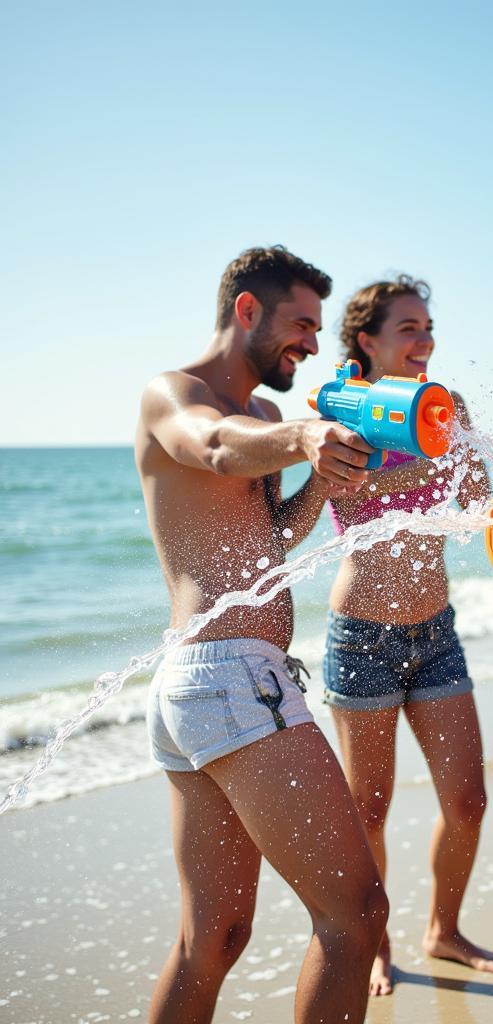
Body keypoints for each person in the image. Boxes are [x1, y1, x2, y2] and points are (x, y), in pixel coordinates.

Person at [136, 246, 387, 1024]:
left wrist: (324, 474)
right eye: (300, 324)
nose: (312, 343)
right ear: (247, 310)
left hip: (207, 691)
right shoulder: (172, 394)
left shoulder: (271, 418)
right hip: (231, 681)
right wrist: (303, 440)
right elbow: (210, 445)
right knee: (358, 920)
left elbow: (269, 537)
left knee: (212, 939)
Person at [322, 275, 493, 996]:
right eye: (408, 328)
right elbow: (350, 494)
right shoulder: (345, 411)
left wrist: (468, 464)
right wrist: (433, 464)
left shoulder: (444, 406)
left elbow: (470, 501)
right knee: (369, 808)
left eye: (428, 327)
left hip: (436, 629)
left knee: (468, 801)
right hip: (361, 635)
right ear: (368, 341)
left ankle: (445, 929)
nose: (424, 341)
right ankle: (375, 942)